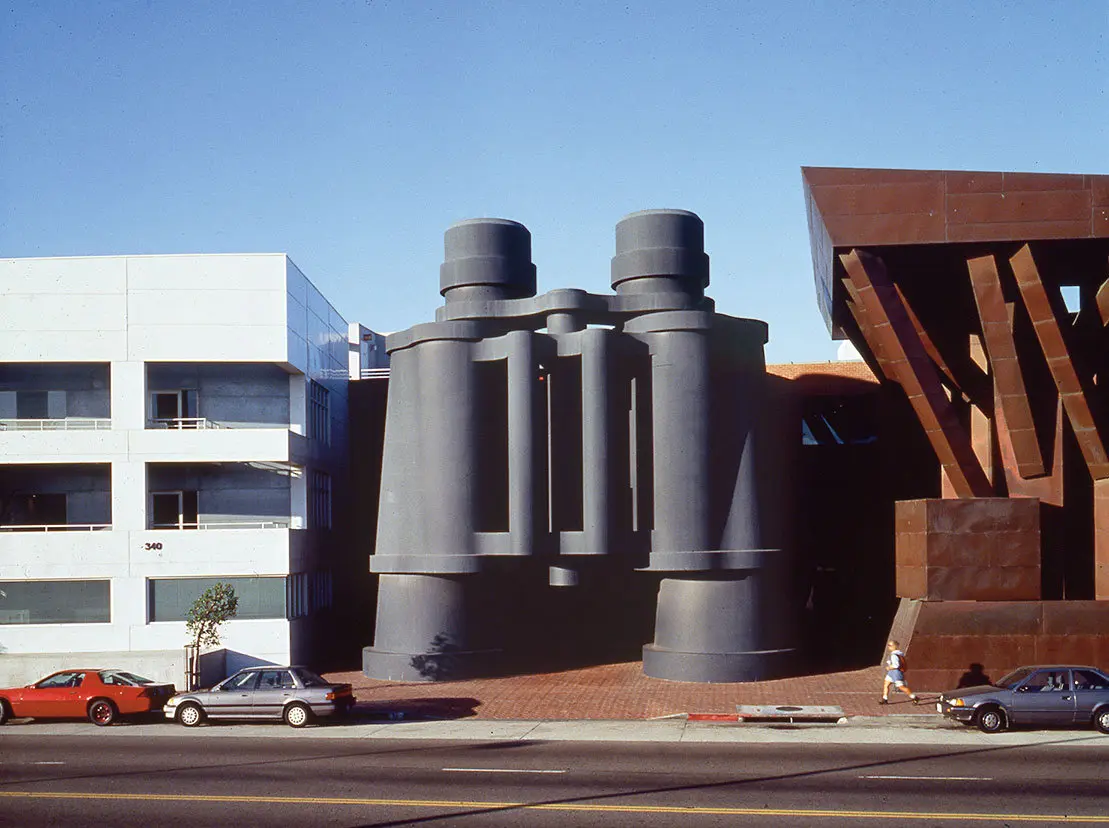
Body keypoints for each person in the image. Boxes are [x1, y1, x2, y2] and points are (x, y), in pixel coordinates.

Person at [880, 639, 918, 704]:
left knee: (901, 687)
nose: (888, 646)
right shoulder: (898, 654)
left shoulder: (894, 655)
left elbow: (896, 665)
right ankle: (885, 699)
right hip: (891, 673)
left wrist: (889, 667)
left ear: (894, 646)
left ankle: (914, 697)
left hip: (896, 674)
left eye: (890, 645)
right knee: (886, 684)